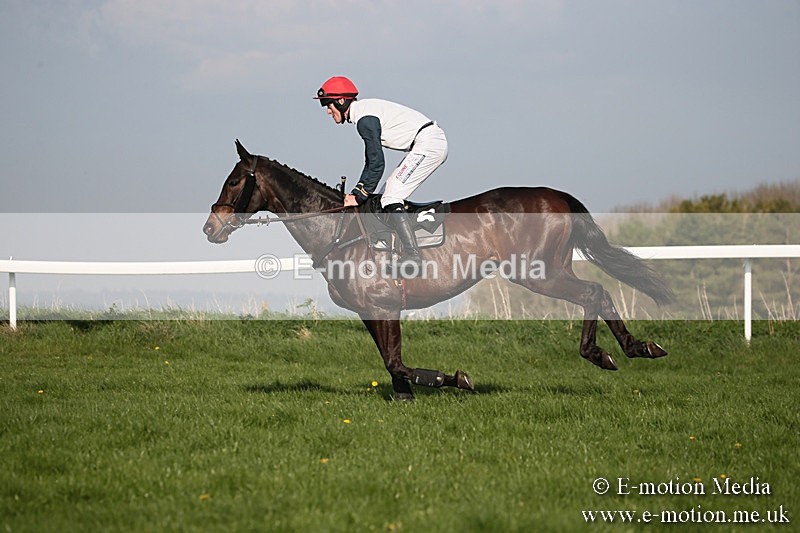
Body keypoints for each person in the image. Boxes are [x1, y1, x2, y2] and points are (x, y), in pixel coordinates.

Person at [314, 76, 448, 267]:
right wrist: (357, 192)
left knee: (390, 198)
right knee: (385, 197)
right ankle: (401, 247)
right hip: (426, 142)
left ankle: (413, 257)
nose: (328, 111)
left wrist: (359, 196)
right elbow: (371, 162)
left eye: (328, 105)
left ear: (341, 101)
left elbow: (377, 164)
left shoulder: (364, 120)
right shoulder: (363, 115)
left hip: (429, 144)